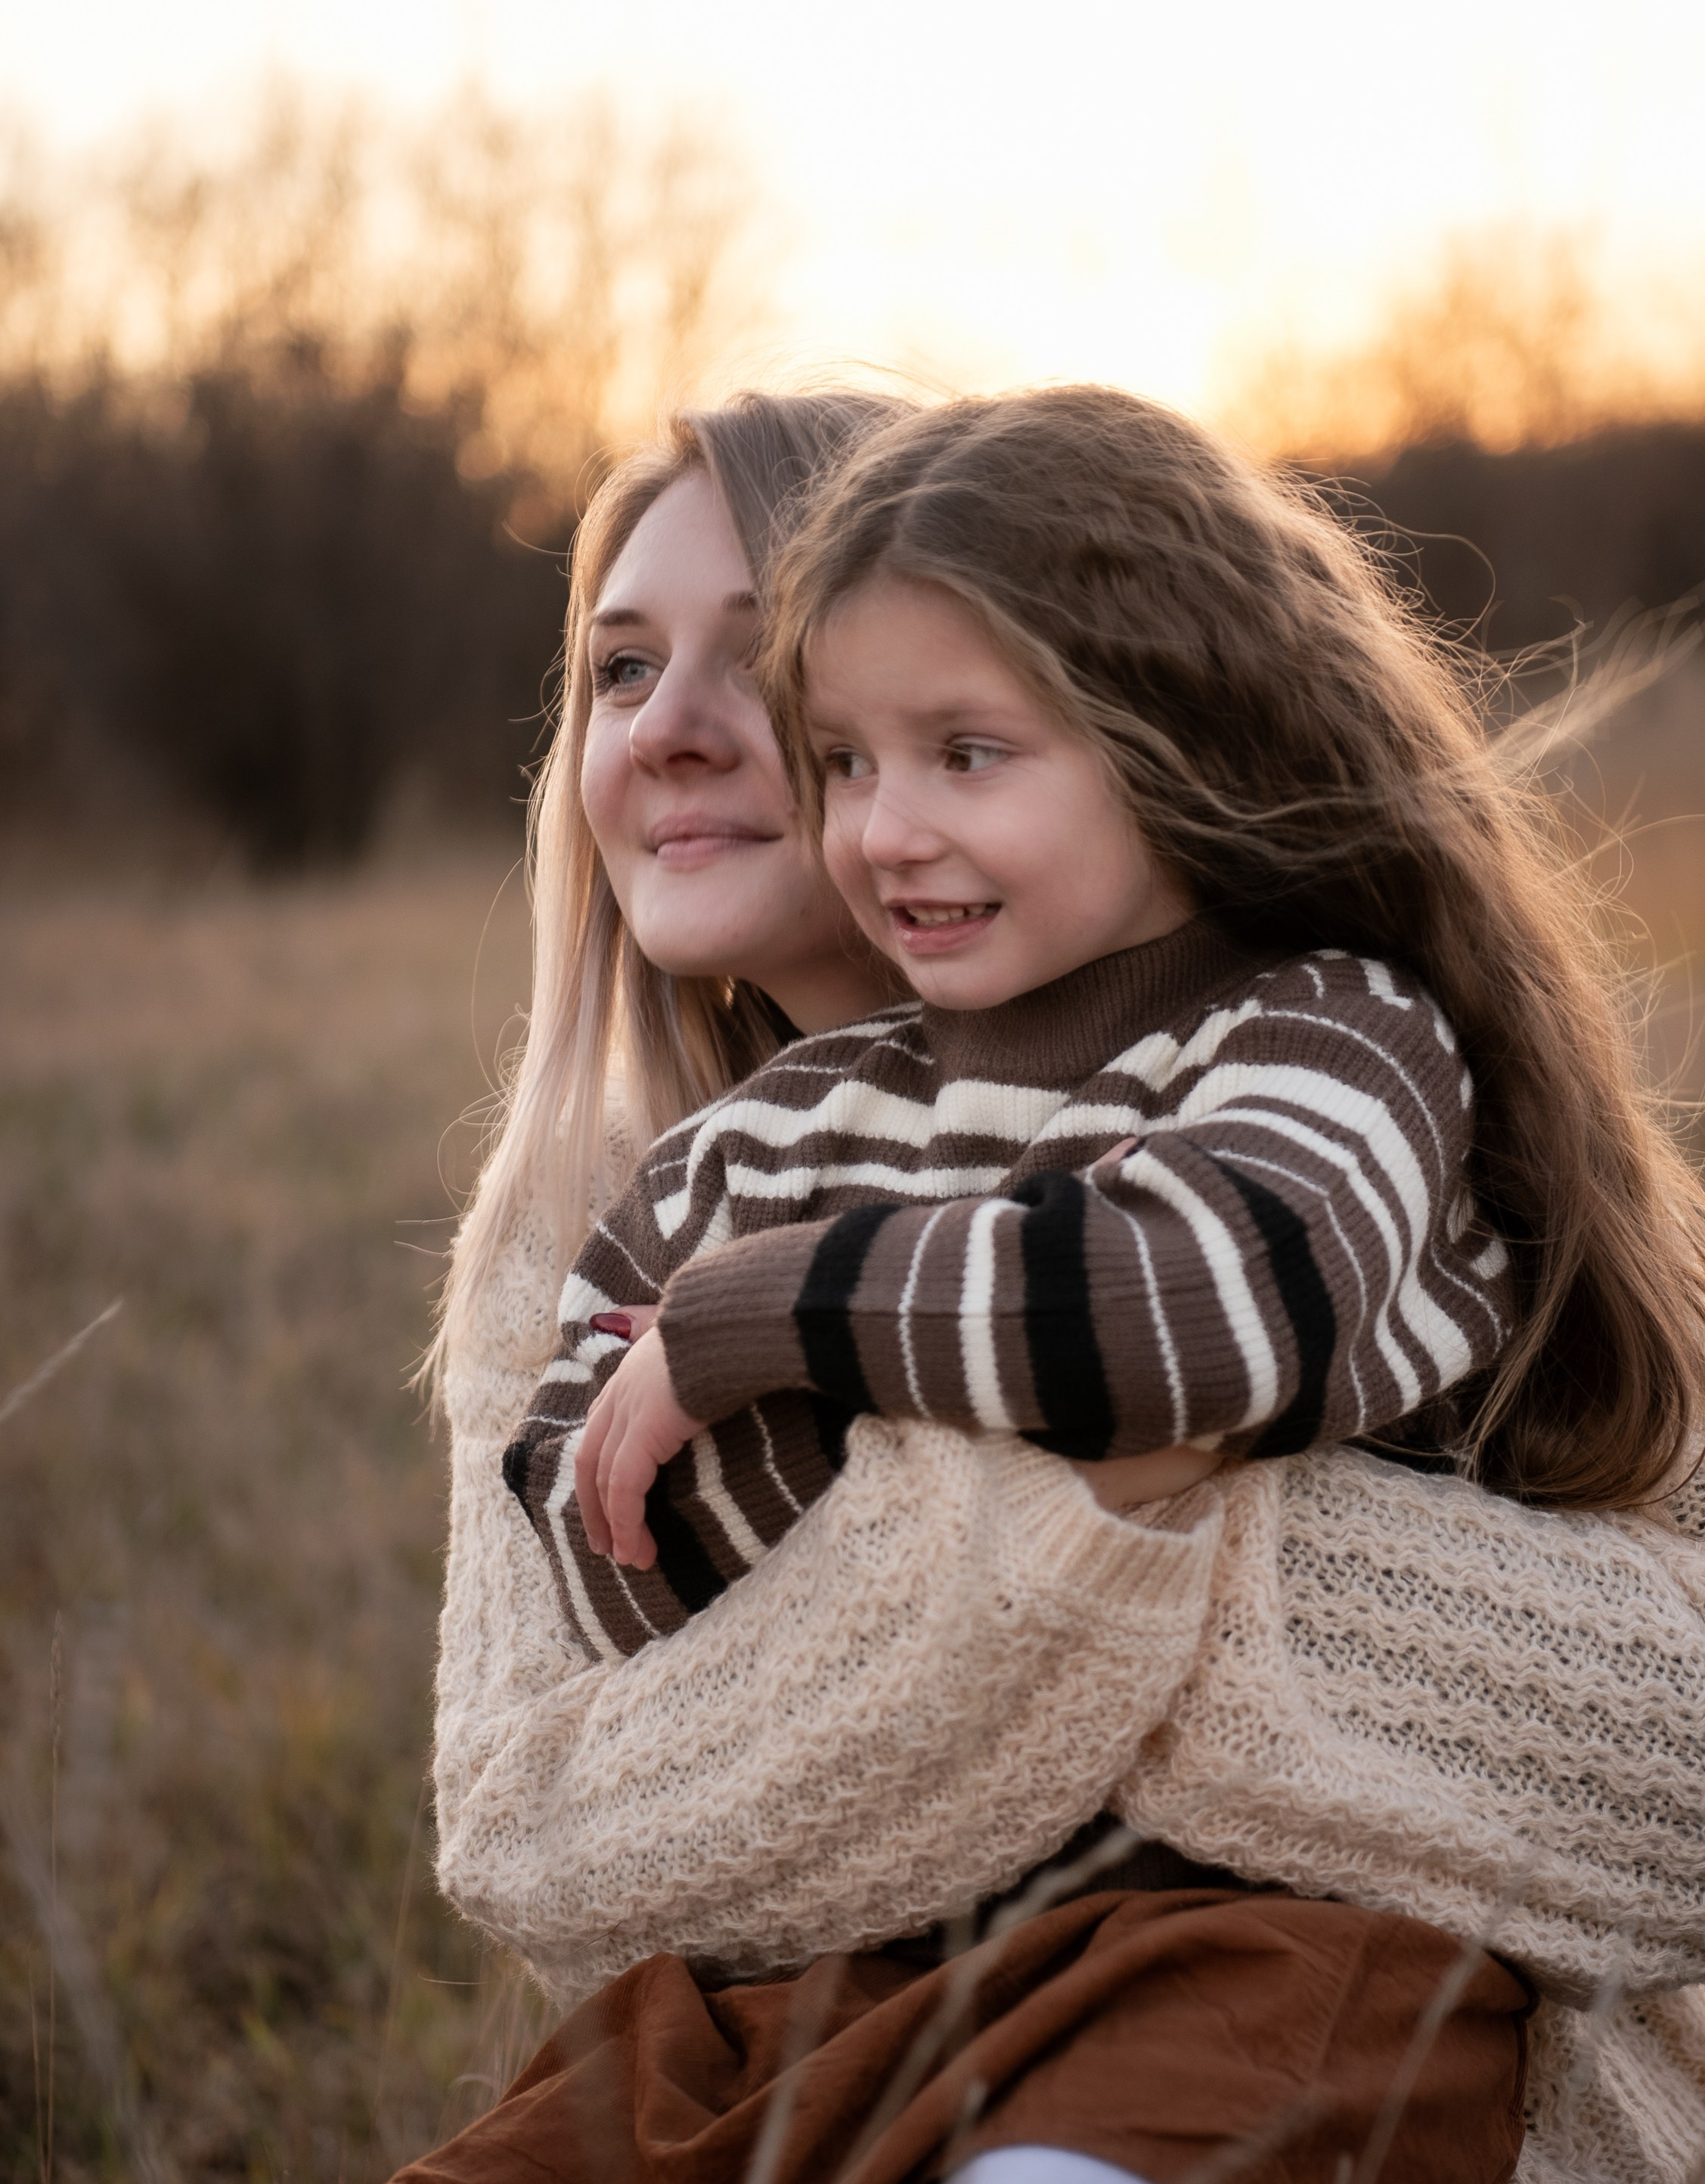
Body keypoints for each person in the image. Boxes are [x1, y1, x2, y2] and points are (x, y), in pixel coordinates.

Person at [409, 390, 1705, 2184]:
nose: (677, 727)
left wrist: (797, 1348)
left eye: (956, 745)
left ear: (1155, 745)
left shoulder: (1332, 1045)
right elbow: (570, 1722)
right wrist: (1076, 1458)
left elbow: (1213, 1307)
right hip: (837, 1998)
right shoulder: (703, 1171)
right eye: (620, 668)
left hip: (1272, 1966)